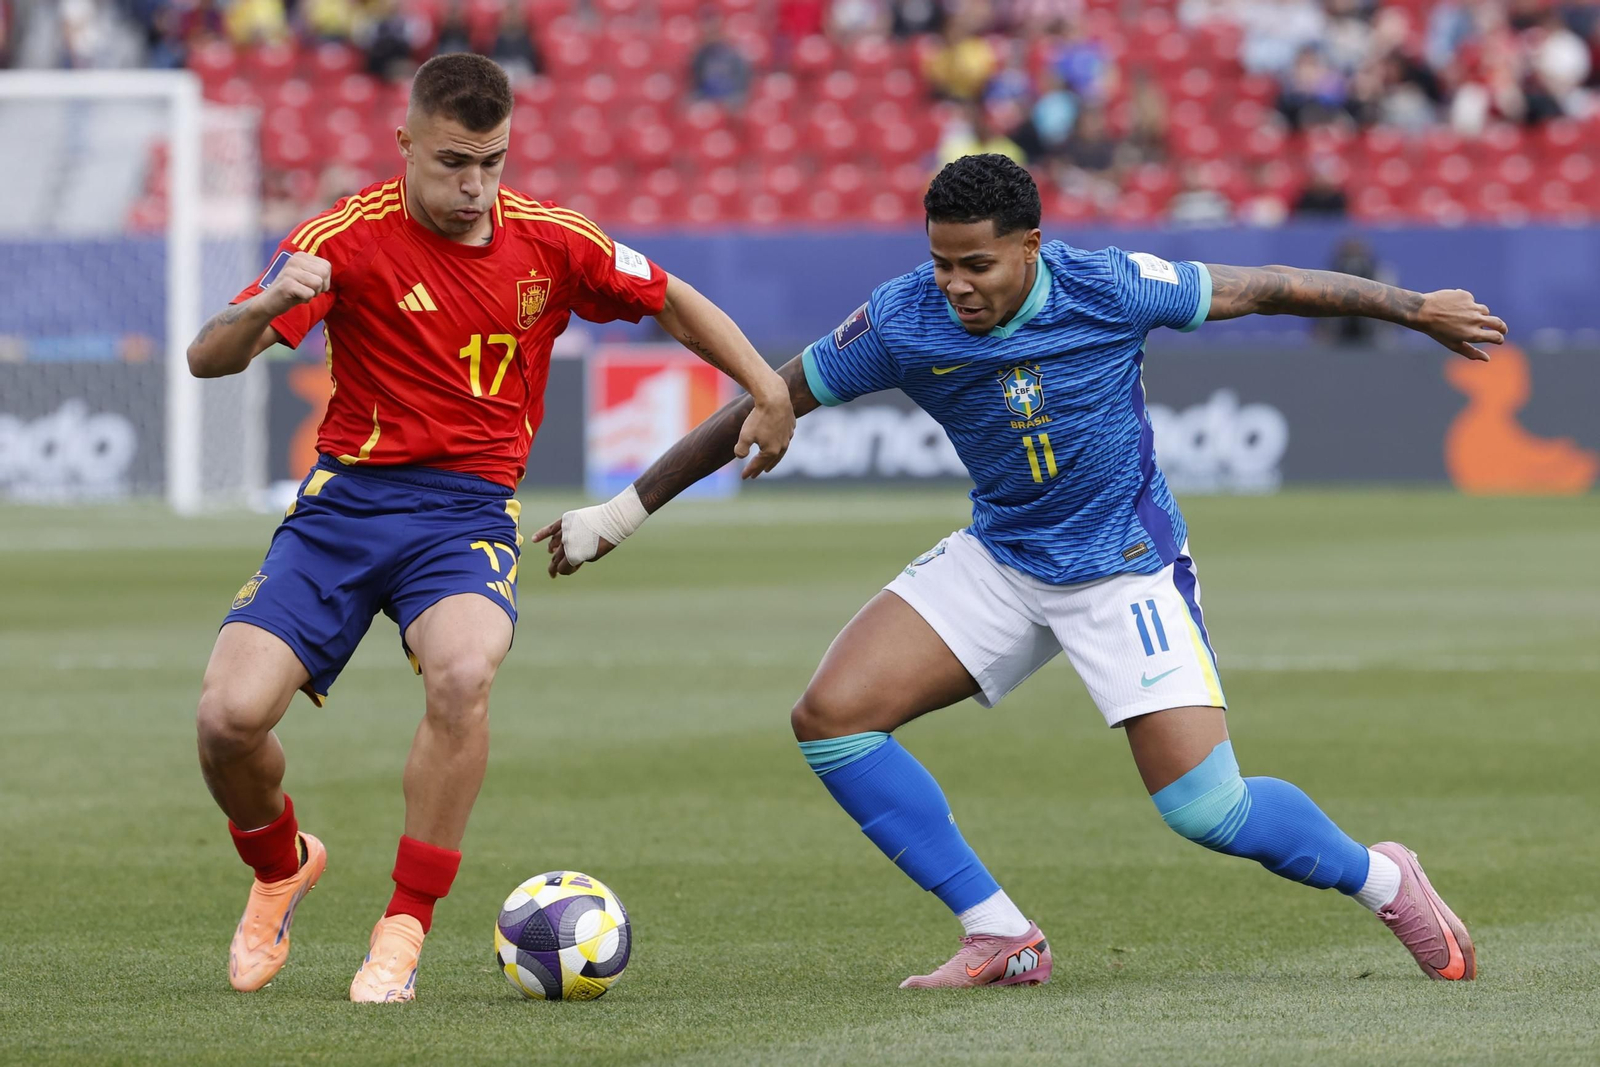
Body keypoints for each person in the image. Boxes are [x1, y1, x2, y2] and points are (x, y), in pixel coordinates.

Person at [537, 154, 1505, 989]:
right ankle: (997, 928)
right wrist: (620, 513)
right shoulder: (904, 319)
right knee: (831, 718)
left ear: (1033, 246)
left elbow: (1266, 285)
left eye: (976, 263)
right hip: (1004, 555)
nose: (954, 283)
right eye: (940, 260)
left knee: (1208, 808)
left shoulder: (1111, 286)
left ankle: (1382, 877)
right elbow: (768, 395)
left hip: (1124, 566)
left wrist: (1414, 309)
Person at [186, 53, 794, 1004]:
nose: (474, 187)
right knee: (226, 722)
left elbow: (670, 296)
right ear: (406, 146)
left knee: (465, 671)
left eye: (493, 162)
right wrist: (264, 304)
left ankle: (404, 925)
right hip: (343, 508)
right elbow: (205, 359)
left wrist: (767, 388)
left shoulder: (552, 241)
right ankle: (280, 864)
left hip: (465, 511)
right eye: (453, 163)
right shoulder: (341, 238)